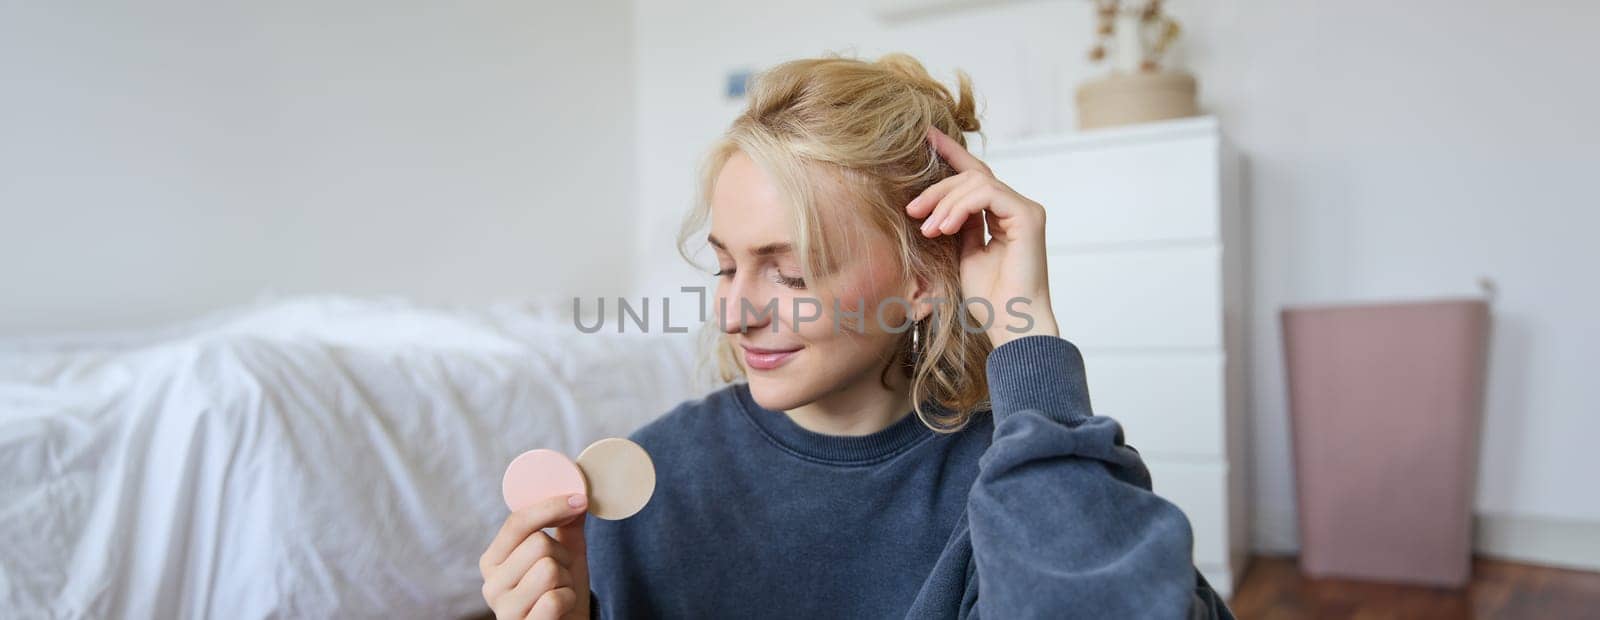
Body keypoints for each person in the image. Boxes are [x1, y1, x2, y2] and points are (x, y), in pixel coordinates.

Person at [477, 52, 1234, 619]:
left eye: (792, 275)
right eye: (725, 267)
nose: (735, 312)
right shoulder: (653, 478)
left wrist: (1024, 334)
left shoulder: (1020, 478)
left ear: (923, 280)